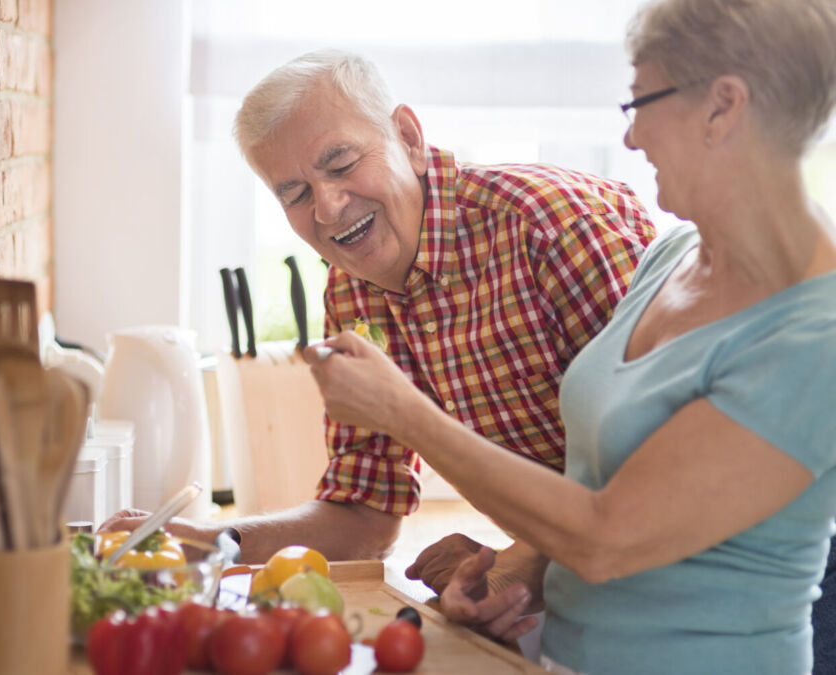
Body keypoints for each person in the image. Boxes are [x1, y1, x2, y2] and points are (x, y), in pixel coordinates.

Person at [307, 0, 836, 672]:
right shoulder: (666, 259)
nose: (632, 138)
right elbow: (590, 492)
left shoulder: (816, 334)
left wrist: (403, 410)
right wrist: (511, 588)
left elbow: (606, 538)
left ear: (723, 106)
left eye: (641, 102)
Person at [99, 50, 655, 569]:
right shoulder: (350, 291)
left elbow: (666, 468)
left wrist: (523, 565)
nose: (328, 206)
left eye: (340, 164)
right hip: (579, 571)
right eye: (294, 193)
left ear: (409, 138)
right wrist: (210, 542)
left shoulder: (550, 228)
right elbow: (365, 515)